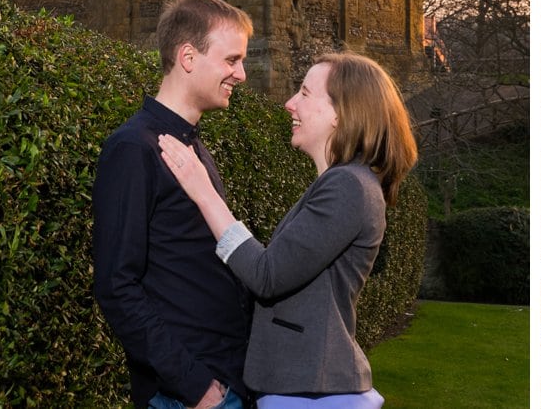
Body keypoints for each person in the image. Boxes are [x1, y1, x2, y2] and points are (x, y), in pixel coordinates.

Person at [157, 51, 419, 408]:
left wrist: (203, 192)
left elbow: (267, 274)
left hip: (310, 391)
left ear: (341, 114)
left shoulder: (348, 186)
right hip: (301, 386)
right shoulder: (342, 183)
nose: (289, 103)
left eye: (305, 93)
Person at [93, 0, 254, 409]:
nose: (242, 75)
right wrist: (195, 385)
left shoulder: (192, 146)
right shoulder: (133, 148)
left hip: (226, 378)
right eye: (232, 60)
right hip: (186, 395)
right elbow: (116, 286)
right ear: (187, 57)